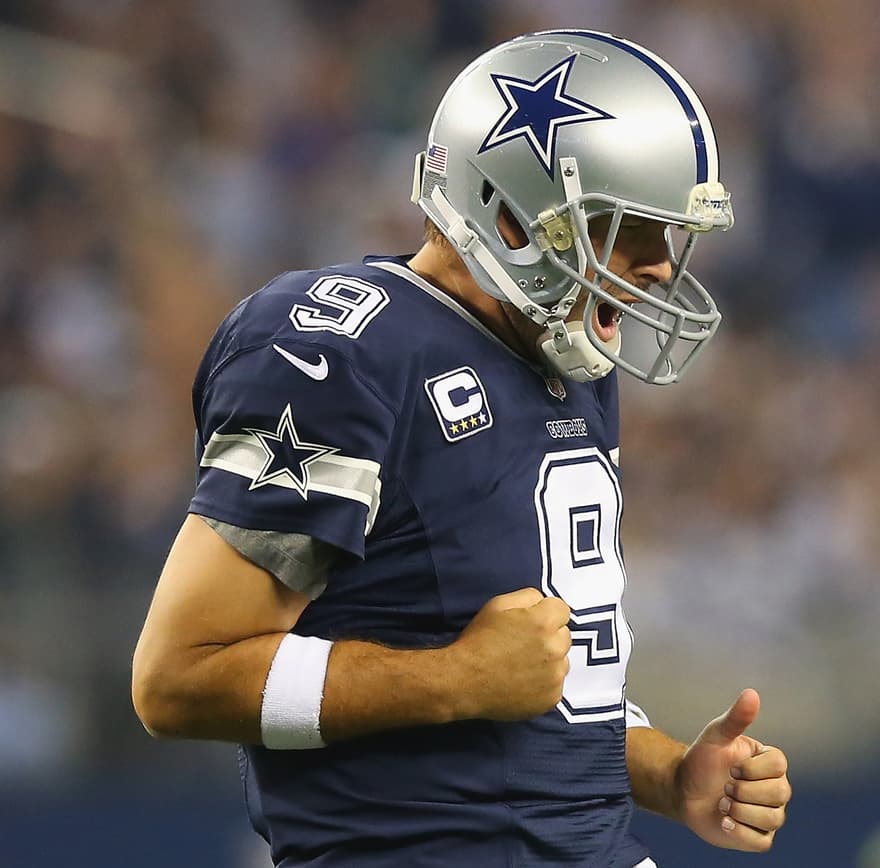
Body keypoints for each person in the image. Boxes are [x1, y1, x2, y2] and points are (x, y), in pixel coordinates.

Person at [131, 29, 791, 867]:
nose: (660, 266)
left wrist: (669, 774)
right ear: (513, 217)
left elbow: (534, 686)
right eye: (631, 227)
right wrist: (453, 680)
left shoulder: (563, 353)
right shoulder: (343, 352)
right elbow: (178, 678)